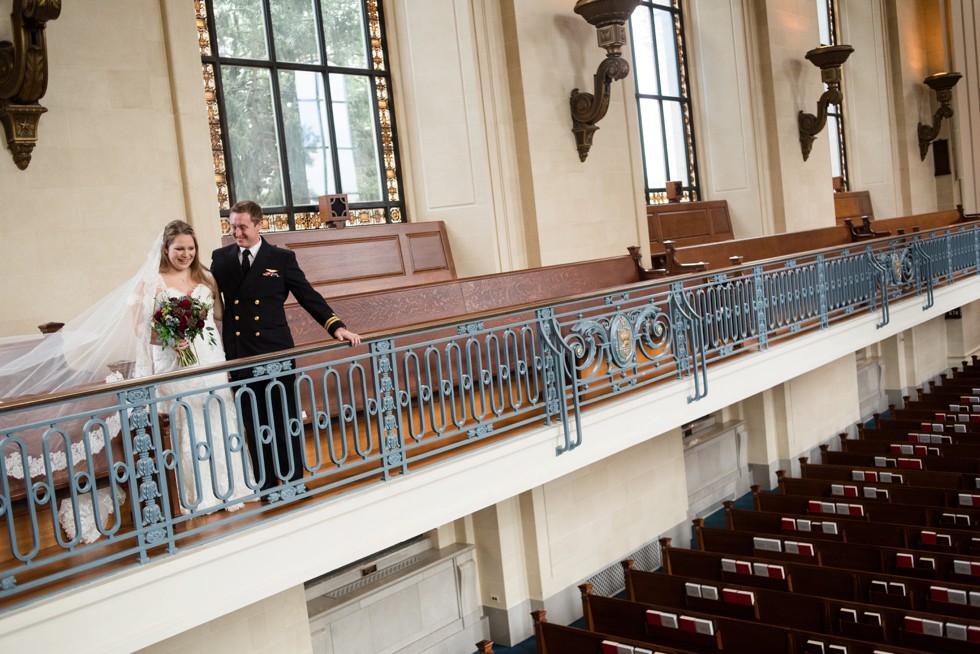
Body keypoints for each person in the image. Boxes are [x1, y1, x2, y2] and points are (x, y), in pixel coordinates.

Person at [210, 200, 361, 494]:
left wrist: (336, 326)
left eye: (242, 227)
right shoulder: (221, 257)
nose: (236, 233)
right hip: (240, 353)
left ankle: (292, 480)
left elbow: (308, 295)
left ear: (259, 224)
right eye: (232, 227)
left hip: (275, 349)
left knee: (283, 418)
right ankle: (266, 485)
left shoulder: (280, 258)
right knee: (254, 422)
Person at [141, 220, 254, 513]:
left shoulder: (206, 278)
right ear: (166, 249)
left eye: (191, 248)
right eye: (179, 248)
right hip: (176, 361)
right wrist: (170, 337)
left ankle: (234, 485)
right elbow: (141, 329)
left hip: (210, 356)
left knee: (218, 416)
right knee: (189, 420)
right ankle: (198, 493)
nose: (186, 253)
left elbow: (221, 317)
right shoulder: (153, 282)